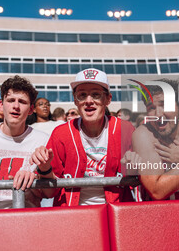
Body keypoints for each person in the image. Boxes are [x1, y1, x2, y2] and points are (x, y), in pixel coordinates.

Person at [31, 68, 134, 206]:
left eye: (96, 94)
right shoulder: (61, 133)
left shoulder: (126, 130)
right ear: (75, 100)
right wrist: (44, 168)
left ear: (108, 99)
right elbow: (49, 193)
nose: (89, 101)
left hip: (117, 212)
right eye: (82, 95)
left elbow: (142, 180)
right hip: (73, 215)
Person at [0, 75, 54, 209]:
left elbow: (50, 193)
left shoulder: (43, 139)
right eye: (11, 100)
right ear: (1, 105)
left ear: (30, 109)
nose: (16, 106)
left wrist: (37, 177)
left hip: (26, 220)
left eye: (22, 102)